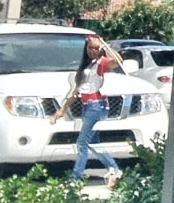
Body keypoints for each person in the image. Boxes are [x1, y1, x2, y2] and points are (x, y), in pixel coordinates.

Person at [51, 34, 125, 184]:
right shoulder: (86, 66)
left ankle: (76, 178)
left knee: (82, 143)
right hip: (87, 106)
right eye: (90, 48)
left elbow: (118, 61)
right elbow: (76, 92)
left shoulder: (101, 63)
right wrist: (62, 110)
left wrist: (105, 45)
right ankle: (114, 168)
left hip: (97, 106)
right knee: (93, 142)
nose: (93, 51)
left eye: (96, 48)